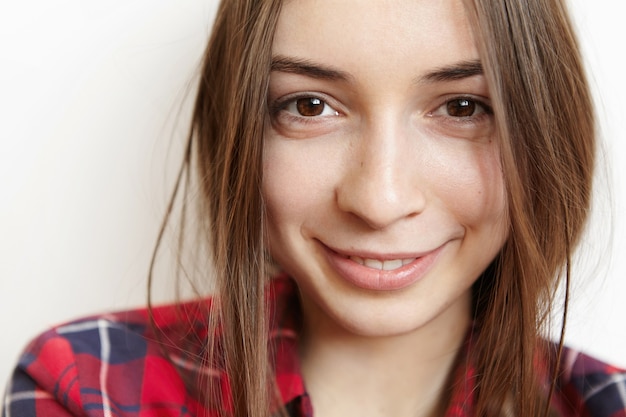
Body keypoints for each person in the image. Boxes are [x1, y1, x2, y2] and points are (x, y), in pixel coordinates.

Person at [3, 0, 625, 416]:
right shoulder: (91, 387)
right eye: (309, 107)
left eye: (462, 108)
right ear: (238, 130)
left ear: (547, 133)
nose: (379, 201)